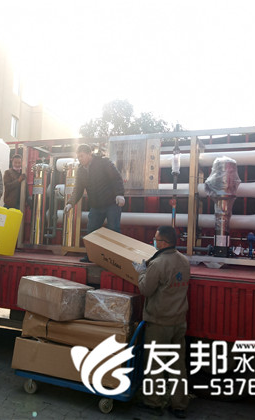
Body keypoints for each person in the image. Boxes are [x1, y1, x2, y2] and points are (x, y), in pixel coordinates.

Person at [133, 226, 190, 418]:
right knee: (177, 364)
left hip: (159, 323)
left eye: (156, 238)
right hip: (179, 321)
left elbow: (145, 289)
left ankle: (153, 403)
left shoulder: (157, 264)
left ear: (164, 243)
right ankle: (179, 405)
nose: (154, 241)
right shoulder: (184, 261)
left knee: (155, 363)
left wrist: (142, 272)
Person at [64, 144, 125, 262]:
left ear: (89, 154)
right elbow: (78, 189)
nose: (80, 159)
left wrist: (120, 194)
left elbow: (116, 178)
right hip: (96, 206)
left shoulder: (103, 163)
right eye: (78, 157)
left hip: (111, 203)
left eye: (82, 156)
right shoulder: (81, 171)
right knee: (91, 231)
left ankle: (116, 260)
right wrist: (70, 203)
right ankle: (91, 256)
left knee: (114, 229)